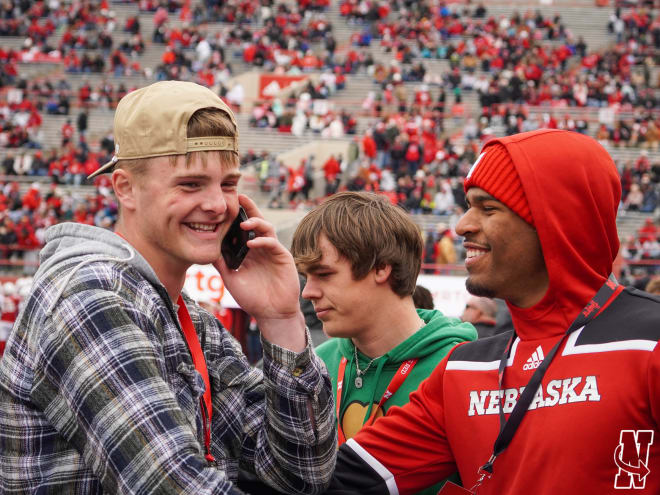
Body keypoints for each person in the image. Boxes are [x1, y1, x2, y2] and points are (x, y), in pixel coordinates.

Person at [0, 81, 336, 494]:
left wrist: (280, 320)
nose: (217, 204)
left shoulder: (189, 317)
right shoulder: (90, 298)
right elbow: (175, 484)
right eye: (190, 184)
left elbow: (301, 474)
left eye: (228, 185)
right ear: (125, 188)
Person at [325, 129, 660, 494]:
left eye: (488, 208)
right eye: (469, 205)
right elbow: (332, 482)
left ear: (556, 221)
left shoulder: (649, 341)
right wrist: (281, 323)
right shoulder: (462, 369)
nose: (463, 225)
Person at [291, 191, 476, 495]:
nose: (308, 292)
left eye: (324, 274)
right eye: (305, 276)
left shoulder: (463, 368)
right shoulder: (315, 364)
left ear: (381, 267)